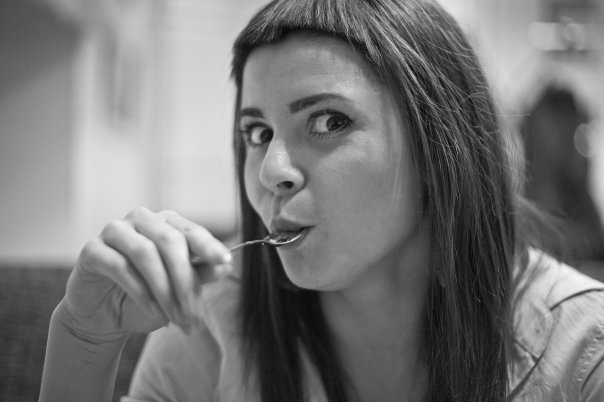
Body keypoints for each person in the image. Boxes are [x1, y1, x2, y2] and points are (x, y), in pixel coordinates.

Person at [40, 0, 604, 401]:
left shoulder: (583, 352)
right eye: (257, 133)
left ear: (440, 147)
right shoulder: (208, 329)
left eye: (329, 121)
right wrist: (84, 339)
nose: (271, 171)